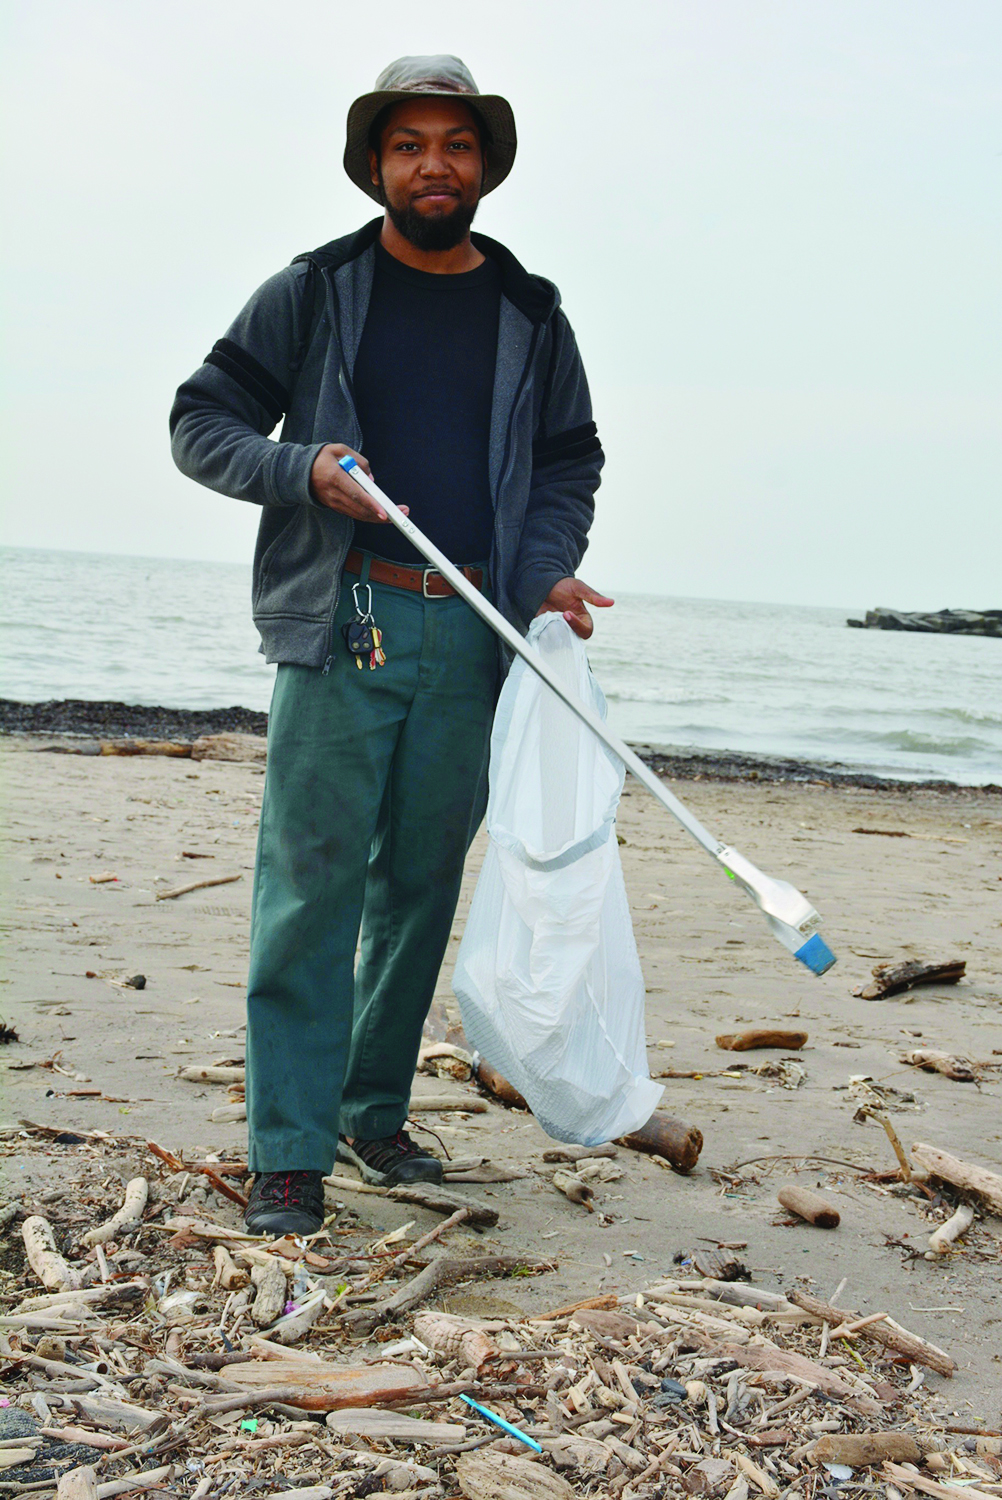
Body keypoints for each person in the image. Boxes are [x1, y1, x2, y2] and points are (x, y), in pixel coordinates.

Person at [170, 55, 611, 1235]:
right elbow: (199, 421)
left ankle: (371, 1114)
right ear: (376, 163)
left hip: (471, 633)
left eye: (455, 145)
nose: (434, 165)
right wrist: (301, 468)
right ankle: (288, 1150)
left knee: (419, 887)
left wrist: (541, 576)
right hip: (341, 620)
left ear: (485, 168)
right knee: (310, 889)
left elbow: (569, 461)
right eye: (411, 145)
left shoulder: (532, 312)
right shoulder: (313, 289)